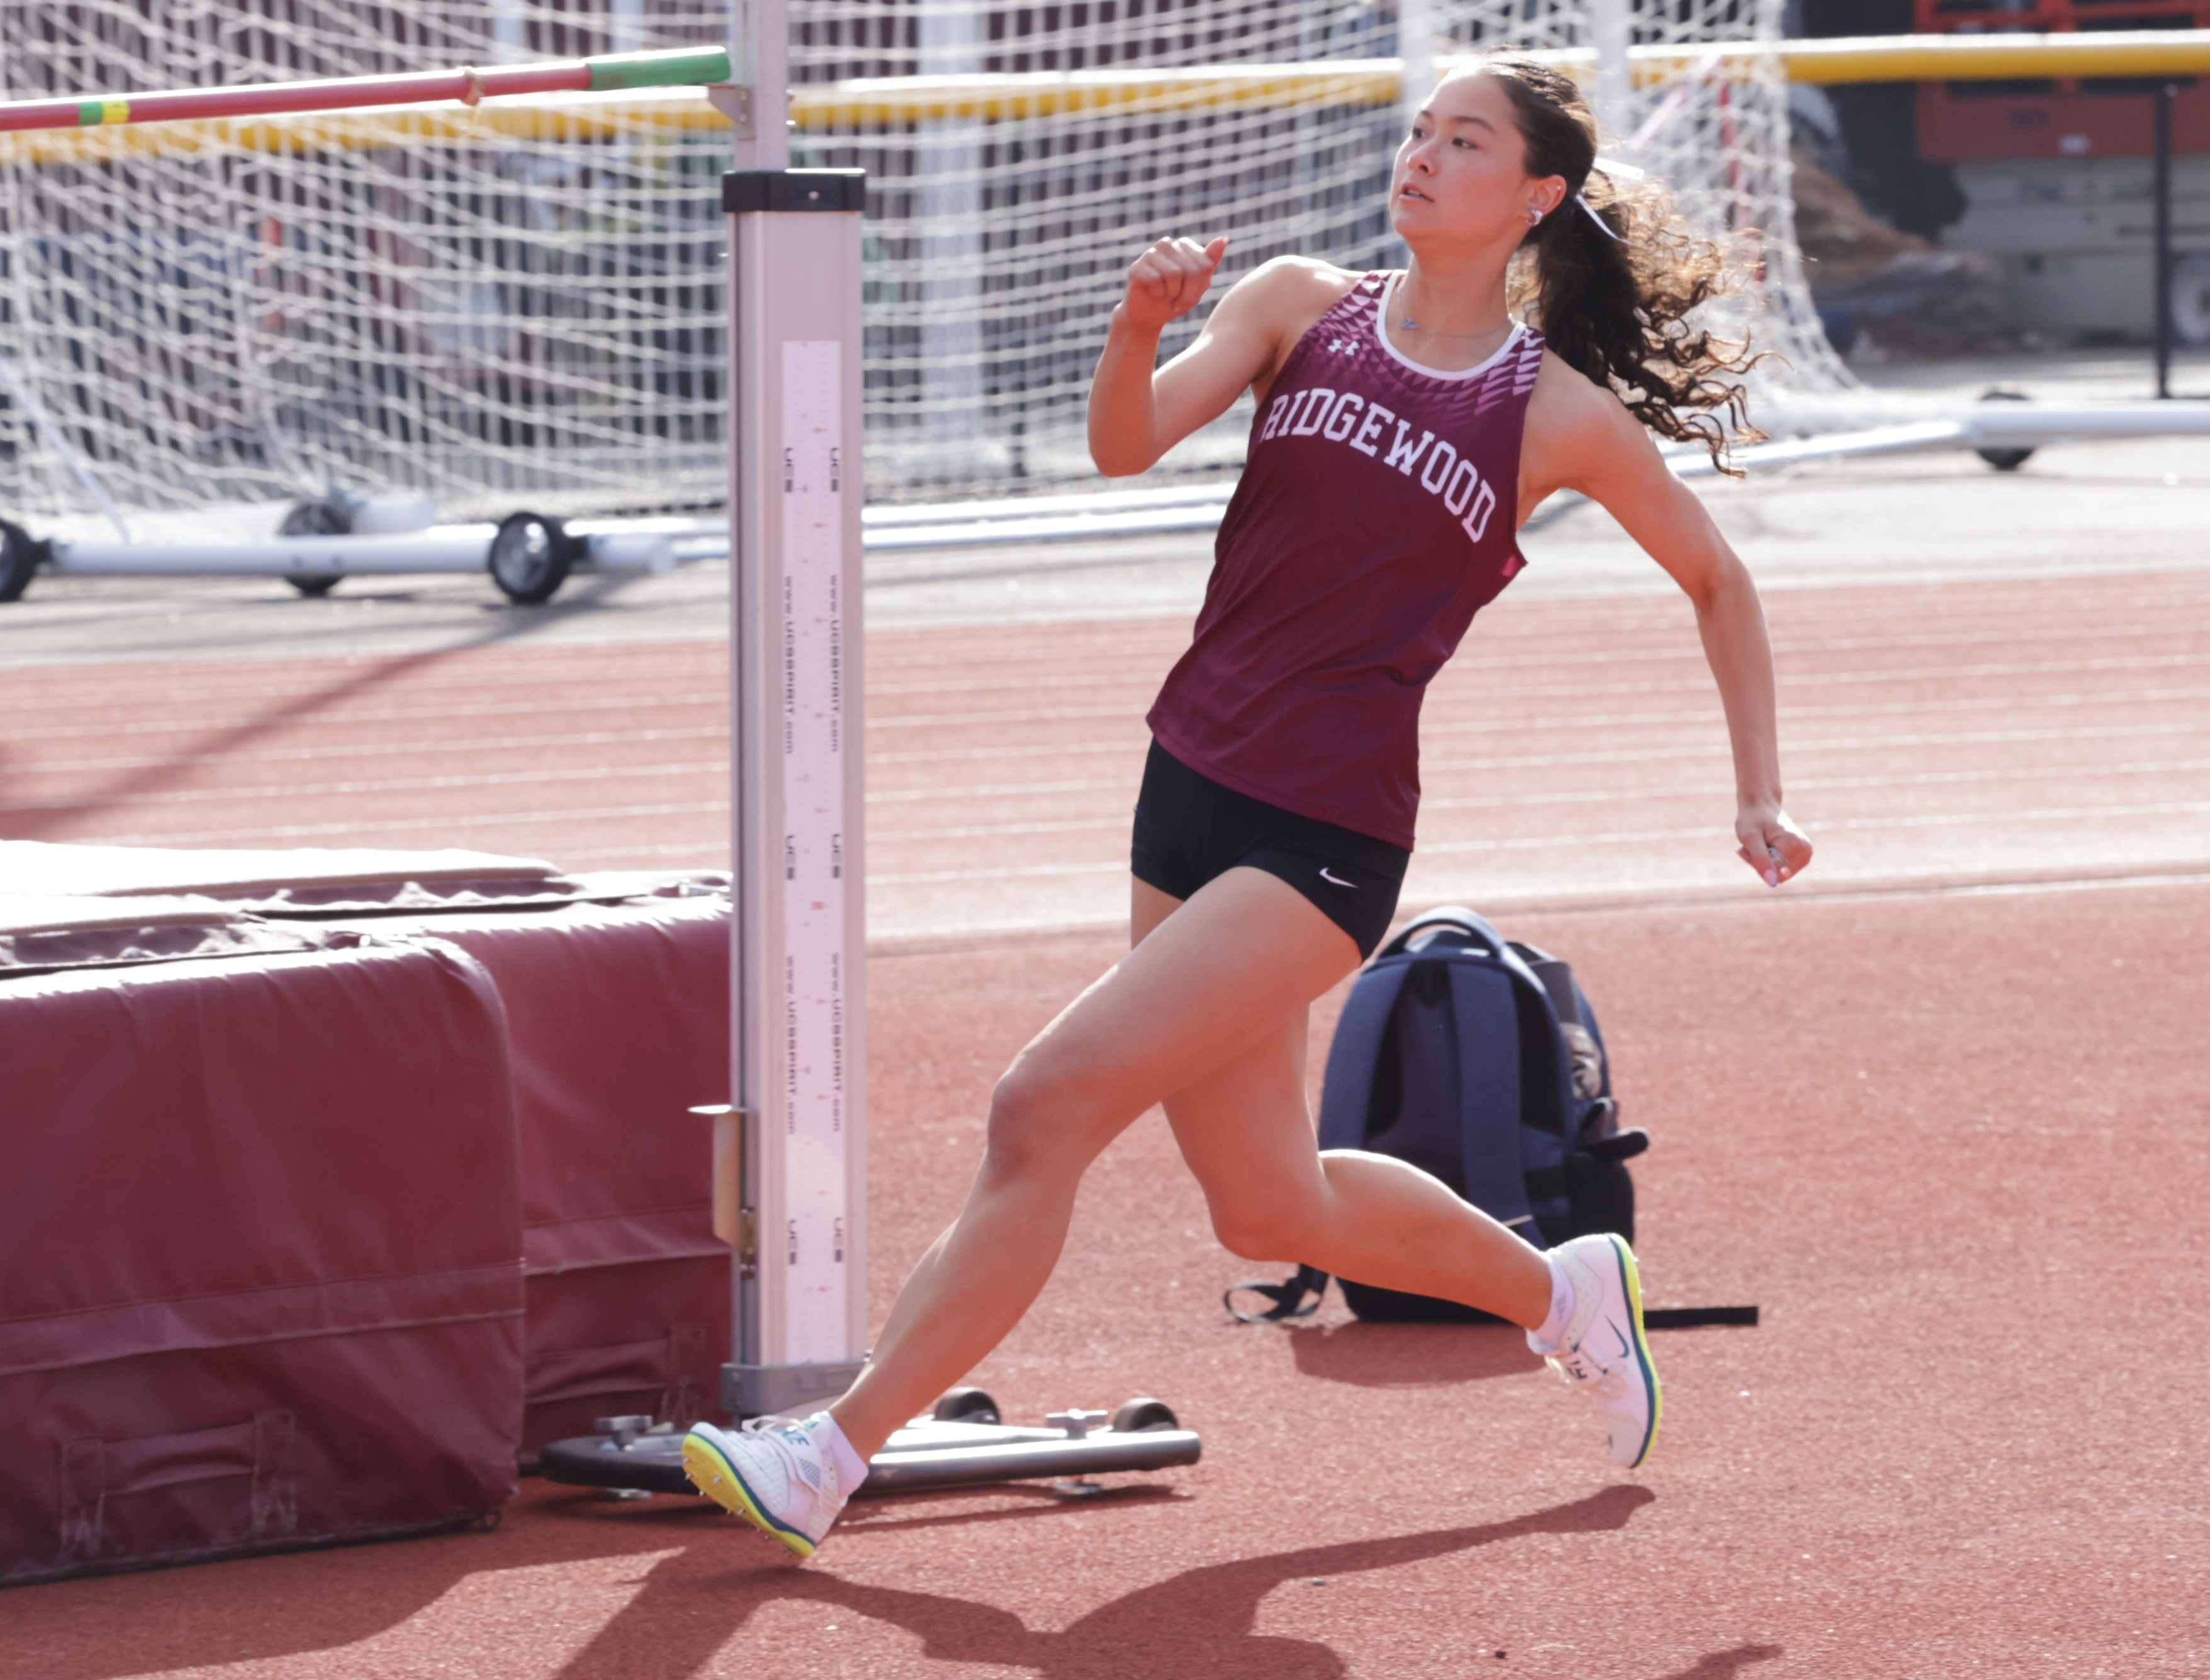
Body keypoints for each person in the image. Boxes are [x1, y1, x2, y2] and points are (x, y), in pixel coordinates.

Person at [681, 54, 1815, 1559]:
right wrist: (1137, 327)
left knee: (1041, 1105)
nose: (1423, 155)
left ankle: (828, 1454)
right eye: (1421, 131)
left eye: (1465, 141)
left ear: (1537, 194)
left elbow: (1719, 578)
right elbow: (1124, 444)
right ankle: (1566, 1289)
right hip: (1190, 779)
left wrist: (1758, 789)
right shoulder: (1297, 304)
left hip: (1323, 837)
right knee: (1267, 1206)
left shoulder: (1555, 413)